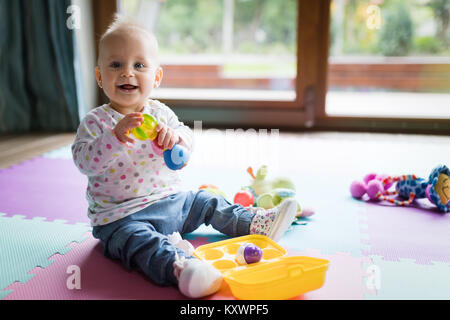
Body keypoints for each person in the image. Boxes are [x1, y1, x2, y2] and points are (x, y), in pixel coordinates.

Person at [71, 14, 297, 298]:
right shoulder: (96, 123)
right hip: (122, 219)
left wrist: (176, 139)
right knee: (140, 243)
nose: (127, 72)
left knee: (206, 200)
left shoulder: (161, 113)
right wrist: (114, 137)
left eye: (139, 65)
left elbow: (186, 143)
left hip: (174, 204)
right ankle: (182, 268)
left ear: (157, 77)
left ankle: (255, 224)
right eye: (116, 65)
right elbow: (84, 162)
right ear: (100, 76)